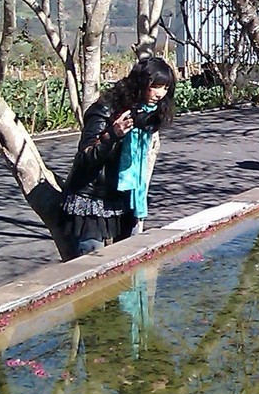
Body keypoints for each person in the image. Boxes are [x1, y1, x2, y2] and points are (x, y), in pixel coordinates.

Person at [62, 55, 176, 257]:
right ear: (140, 83)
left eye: (165, 88)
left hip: (126, 194)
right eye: (156, 86)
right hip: (93, 197)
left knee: (127, 260)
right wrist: (113, 135)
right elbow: (85, 157)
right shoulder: (105, 110)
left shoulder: (145, 112)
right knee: (91, 261)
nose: (160, 94)